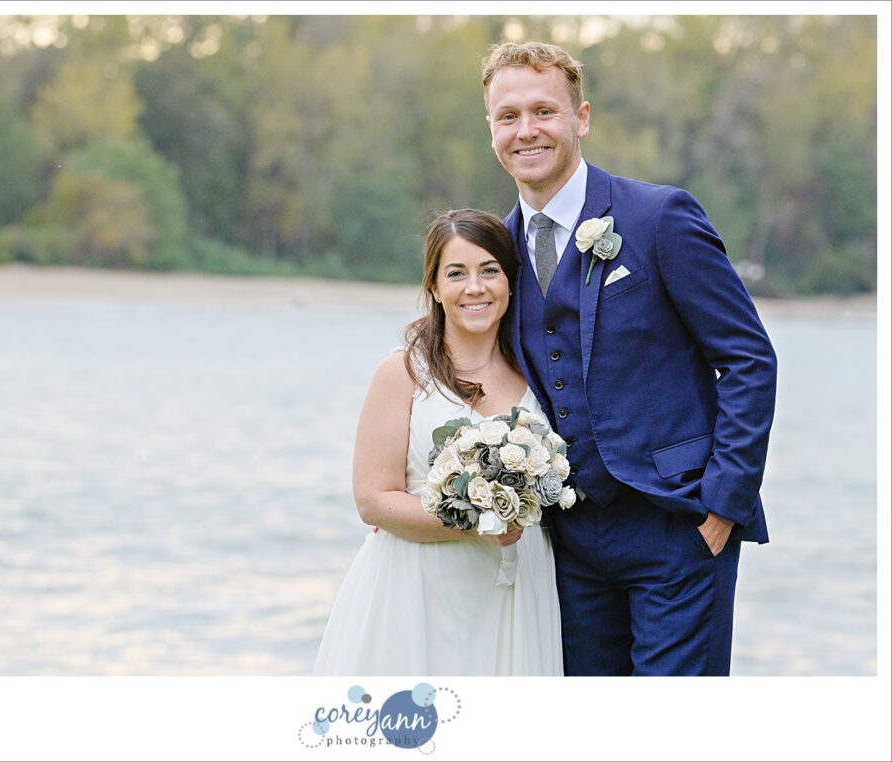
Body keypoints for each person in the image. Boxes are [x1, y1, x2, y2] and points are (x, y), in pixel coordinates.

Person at [480, 41, 778, 675]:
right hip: (564, 544)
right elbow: (467, 373)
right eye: (508, 116)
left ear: (580, 118)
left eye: (544, 111)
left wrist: (724, 504)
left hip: (679, 526)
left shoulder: (658, 217)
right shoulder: (494, 249)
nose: (526, 130)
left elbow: (749, 358)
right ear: (491, 129)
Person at [312, 209, 563, 676]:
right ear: (433, 287)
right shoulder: (404, 373)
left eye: (490, 271)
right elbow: (372, 500)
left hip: (516, 584)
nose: (475, 287)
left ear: (511, 283)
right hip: (417, 585)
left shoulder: (541, 377)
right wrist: (480, 520)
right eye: (456, 273)